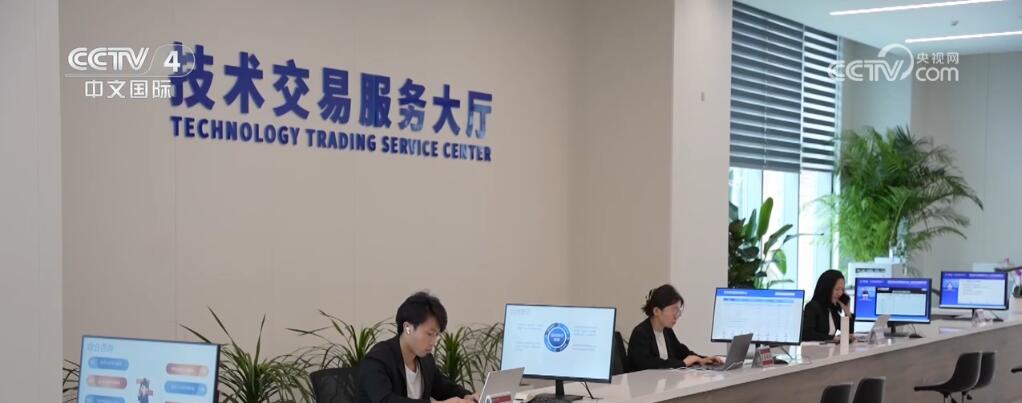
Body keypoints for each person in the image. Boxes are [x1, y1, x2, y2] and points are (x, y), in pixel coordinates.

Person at [357, 292, 478, 403]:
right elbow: (385, 400)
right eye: (429, 334)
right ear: (407, 328)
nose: (434, 342)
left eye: (437, 335)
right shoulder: (378, 360)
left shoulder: (426, 360)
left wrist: (467, 396)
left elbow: (443, 387)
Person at [627, 284, 722, 370]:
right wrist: (683, 363)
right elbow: (648, 364)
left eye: (678, 311)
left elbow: (682, 352)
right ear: (656, 311)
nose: (677, 316)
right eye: (674, 310)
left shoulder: (667, 331)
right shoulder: (640, 333)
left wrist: (703, 359)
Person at [802, 269, 854, 342]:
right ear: (826, 289)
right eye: (837, 289)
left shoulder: (832, 309)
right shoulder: (812, 307)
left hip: (829, 348)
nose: (840, 293)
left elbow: (848, 333)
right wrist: (832, 338)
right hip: (814, 349)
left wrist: (847, 312)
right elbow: (807, 334)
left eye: (842, 290)